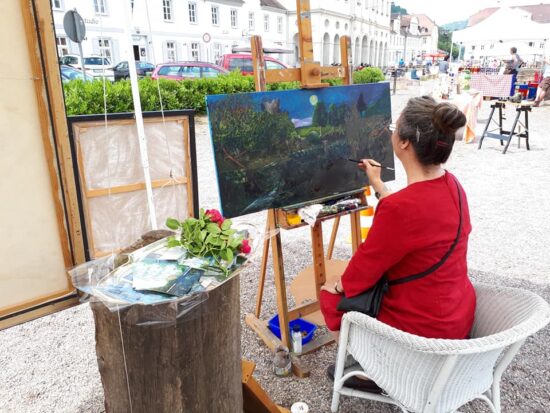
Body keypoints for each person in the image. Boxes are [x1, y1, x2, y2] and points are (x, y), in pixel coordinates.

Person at [321, 97, 476, 388]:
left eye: (393, 127)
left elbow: (364, 268)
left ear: (404, 143)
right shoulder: (453, 185)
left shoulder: (400, 210)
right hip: (457, 314)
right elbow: (416, 218)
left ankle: (380, 372)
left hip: (422, 333)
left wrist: (337, 285)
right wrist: (378, 185)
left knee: (330, 294)